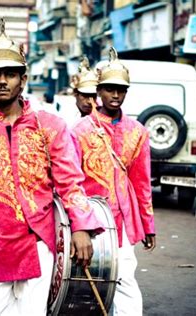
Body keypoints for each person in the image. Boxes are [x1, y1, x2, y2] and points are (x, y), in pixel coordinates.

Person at [0, 18, 104, 316]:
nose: (2, 81)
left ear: (22, 79)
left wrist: (81, 227)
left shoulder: (50, 126)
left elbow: (69, 182)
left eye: (10, 74)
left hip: (38, 243)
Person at [72, 47, 156, 316]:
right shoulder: (81, 131)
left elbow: (142, 182)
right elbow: (70, 182)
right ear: (99, 91)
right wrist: (76, 225)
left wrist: (148, 224)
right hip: (91, 221)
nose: (115, 95)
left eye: (121, 89)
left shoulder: (138, 132)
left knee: (125, 280)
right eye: (109, 89)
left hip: (123, 222)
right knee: (83, 284)